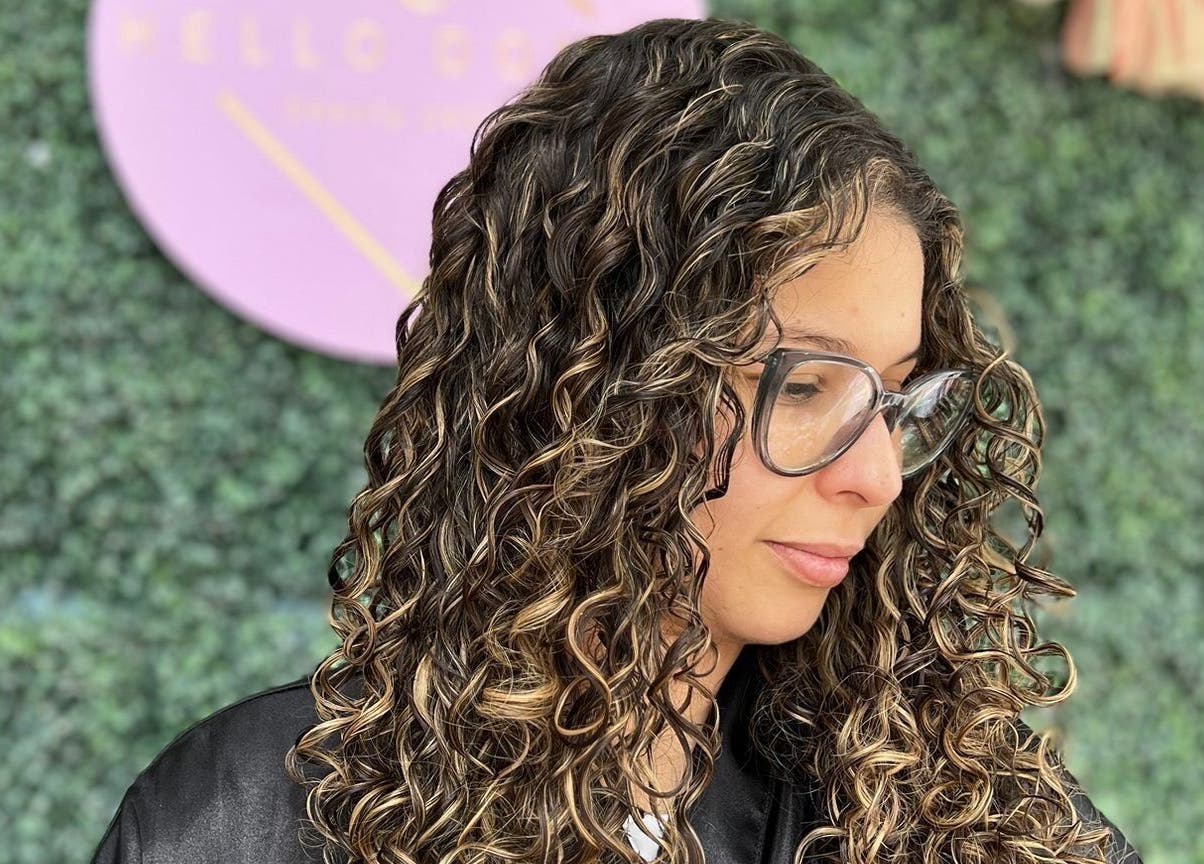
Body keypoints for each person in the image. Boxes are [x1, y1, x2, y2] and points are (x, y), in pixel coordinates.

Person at [90, 16, 1145, 864]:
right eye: (805, 387)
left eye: (900, 402)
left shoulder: (958, 818)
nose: (873, 478)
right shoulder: (241, 822)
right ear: (589, 389)